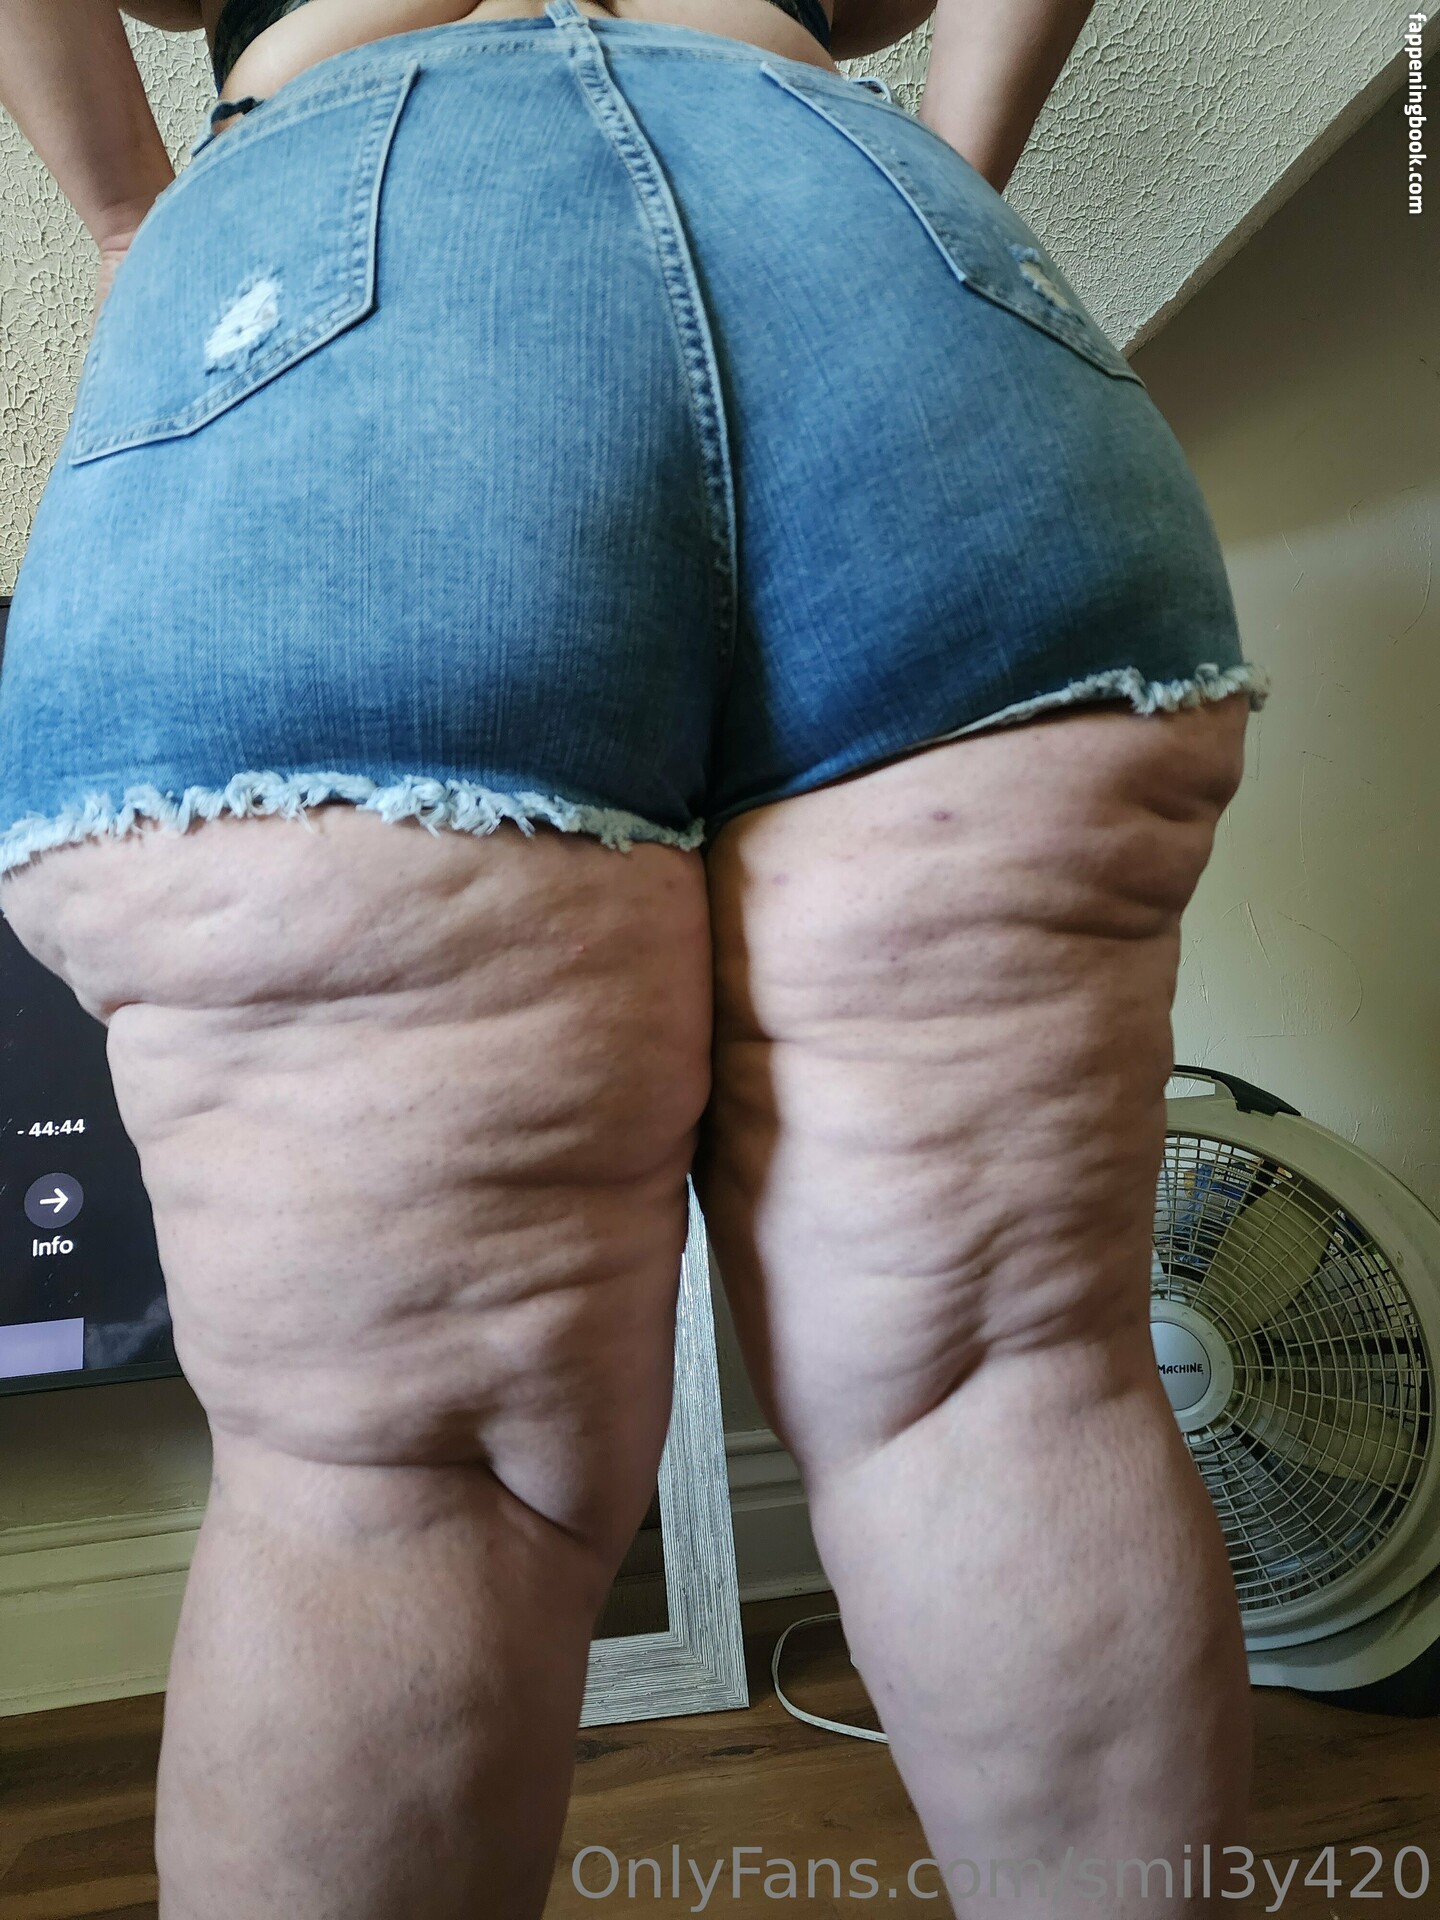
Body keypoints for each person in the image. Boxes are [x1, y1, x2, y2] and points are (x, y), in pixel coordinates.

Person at [0, 0, 1269, 1913]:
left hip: (331, 272)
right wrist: (932, 171)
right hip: (872, 236)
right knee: (1007, 1377)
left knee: (393, 1479)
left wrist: (127, 218)